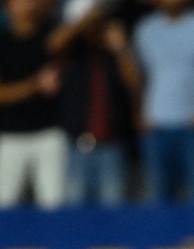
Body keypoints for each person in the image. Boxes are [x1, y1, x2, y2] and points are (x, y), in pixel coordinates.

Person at [0, 0, 67, 209]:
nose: (27, 4)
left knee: (54, 208)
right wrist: (34, 85)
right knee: (4, 207)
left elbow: (69, 35)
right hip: (9, 137)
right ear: (7, 6)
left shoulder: (51, 37)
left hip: (49, 135)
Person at [133, 0, 194, 202]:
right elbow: (138, 77)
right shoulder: (145, 29)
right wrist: (138, 112)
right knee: (158, 198)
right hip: (155, 124)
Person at [55, 9, 140, 206]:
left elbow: (134, 83)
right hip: (77, 144)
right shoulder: (73, 52)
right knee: (76, 212)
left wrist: (121, 48)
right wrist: (85, 19)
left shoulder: (114, 54)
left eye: (99, 25)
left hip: (112, 145)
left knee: (113, 211)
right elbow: (53, 44)